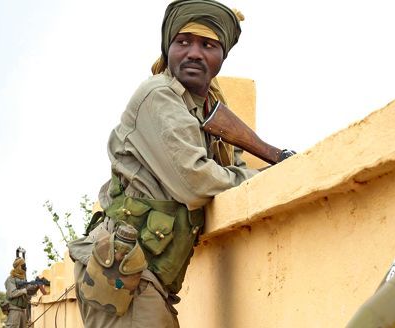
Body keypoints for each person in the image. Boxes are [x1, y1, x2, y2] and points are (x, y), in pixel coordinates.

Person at [68, 0, 278, 327]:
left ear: (222, 56)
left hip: (148, 274)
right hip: (125, 270)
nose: (194, 52)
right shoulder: (159, 95)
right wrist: (262, 175)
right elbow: (195, 182)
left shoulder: (207, 108)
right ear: (168, 49)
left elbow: (227, 166)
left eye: (208, 45)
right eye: (183, 42)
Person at [4, 258, 37, 328]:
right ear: (18, 266)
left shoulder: (23, 280)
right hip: (14, 310)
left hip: (23, 311)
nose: (25, 268)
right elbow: (11, 293)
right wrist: (25, 290)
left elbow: (28, 295)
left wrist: (35, 287)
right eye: (23, 266)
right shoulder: (11, 279)